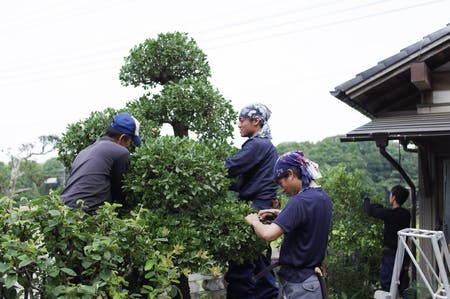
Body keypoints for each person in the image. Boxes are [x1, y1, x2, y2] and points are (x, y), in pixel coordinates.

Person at [245, 150, 332, 299]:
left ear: (291, 174)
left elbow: (268, 235)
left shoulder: (299, 201)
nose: (282, 189)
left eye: (281, 182)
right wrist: (280, 214)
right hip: (312, 282)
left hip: (299, 284)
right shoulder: (322, 197)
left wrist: (253, 221)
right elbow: (307, 221)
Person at [224, 103, 279, 299]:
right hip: (263, 206)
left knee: (242, 266)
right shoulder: (265, 145)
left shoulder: (257, 145)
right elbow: (244, 182)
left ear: (256, 121)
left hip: (255, 209)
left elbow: (230, 167)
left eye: (241, 119)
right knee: (259, 264)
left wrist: (203, 172)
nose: (238, 124)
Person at [60, 112, 141, 214]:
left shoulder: (84, 151)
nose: (129, 146)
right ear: (122, 137)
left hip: (64, 209)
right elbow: (120, 192)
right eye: (130, 142)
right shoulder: (121, 152)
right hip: (88, 213)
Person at [363, 185, 411, 297]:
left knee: (387, 286)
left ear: (393, 197)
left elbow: (369, 210)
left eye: (390, 194)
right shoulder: (406, 214)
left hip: (391, 256)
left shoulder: (390, 214)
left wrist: (366, 198)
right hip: (403, 255)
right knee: (404, 287)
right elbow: (386, 211)